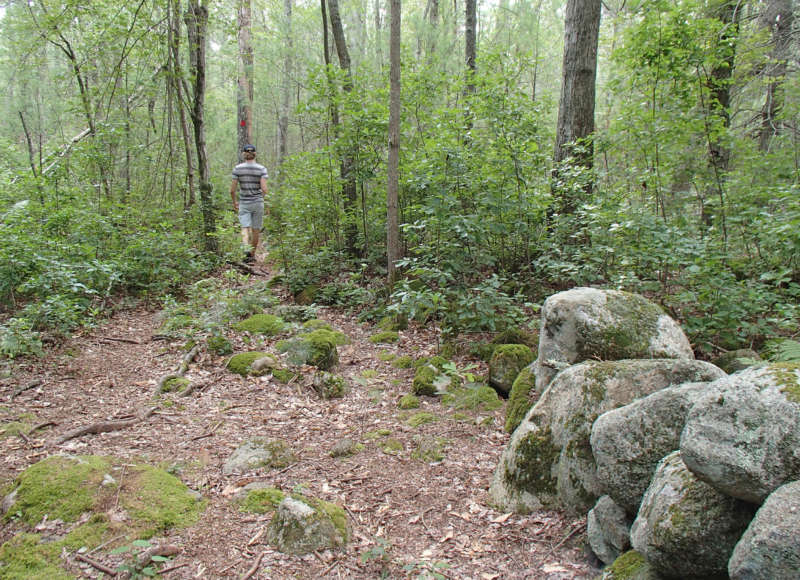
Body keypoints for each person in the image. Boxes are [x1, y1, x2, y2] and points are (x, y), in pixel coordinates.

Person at [230, 144, 268, 263]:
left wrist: (234, 202)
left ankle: (246, 248)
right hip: (257, 202)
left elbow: (232, 190)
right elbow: (265, 189)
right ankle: (251, 255)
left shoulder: (238, 169)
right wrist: (260, 199)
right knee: (256, 229)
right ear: (255, 154)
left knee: (245, 227)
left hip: (244, 203)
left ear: (243, 154)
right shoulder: (261, 169)